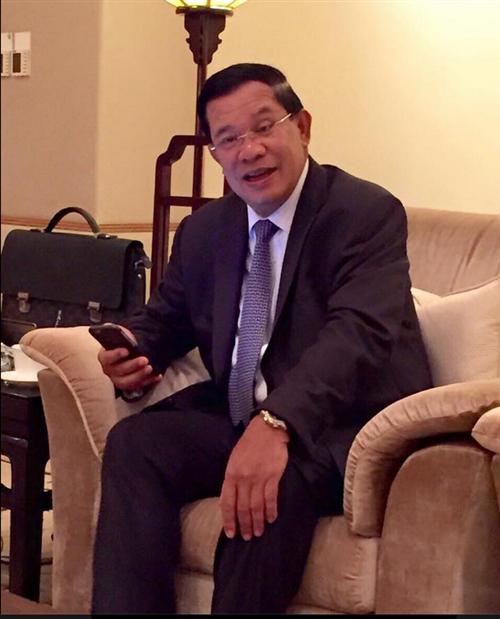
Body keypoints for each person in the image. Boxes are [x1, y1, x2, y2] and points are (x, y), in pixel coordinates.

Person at [91, 63, 432, 614]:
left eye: (264, 126)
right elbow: (169, 317)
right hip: (243, 416)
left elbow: (358, 335)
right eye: (228, 139)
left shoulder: (363, 213)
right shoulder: (205, 230)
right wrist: (133, 347)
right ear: (215, 154)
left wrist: (277, 423)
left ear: (303, 127)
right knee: (137, 445)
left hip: (343, 425)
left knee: (270, 482)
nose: (249, 150)